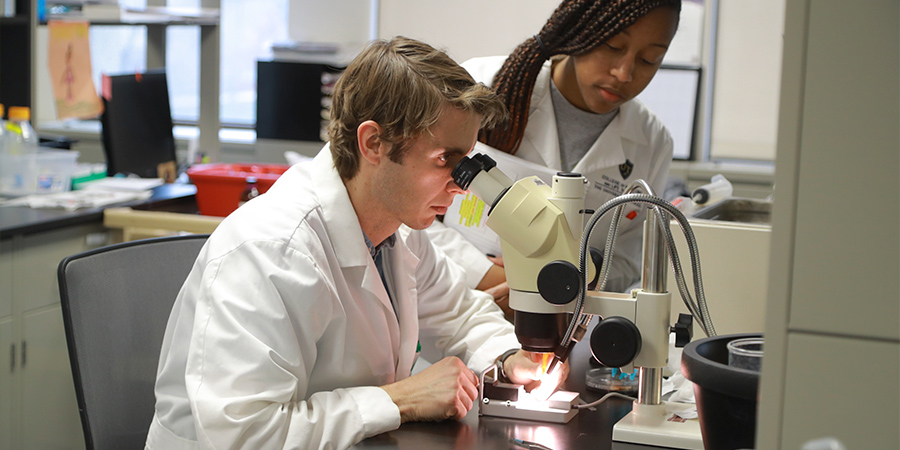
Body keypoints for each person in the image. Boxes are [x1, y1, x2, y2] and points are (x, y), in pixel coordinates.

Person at [145, 36, 569, 450]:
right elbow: (245, 435)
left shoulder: (398, 231)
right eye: (447, 161)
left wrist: (512, 357)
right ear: (373, 143)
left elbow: (459, 312)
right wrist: (399, 399)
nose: (462, 187)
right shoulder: (272, 250)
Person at [427, 0, 682, 315]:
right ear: (580, 29)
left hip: (566, 321)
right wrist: (486, 275)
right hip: (453, 307)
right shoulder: (480, 83)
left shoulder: (652, 141)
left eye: (649, 59)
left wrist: (576, 278)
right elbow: (414, 213)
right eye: (613, 46)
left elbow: (633, 255)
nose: (624, 73)